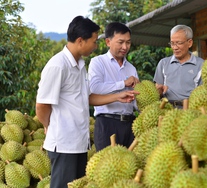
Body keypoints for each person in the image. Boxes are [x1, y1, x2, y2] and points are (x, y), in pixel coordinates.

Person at [35, 16, 139, 188]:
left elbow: (88, 97)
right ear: (80, 41)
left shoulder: (80, 65)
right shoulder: (58, 65)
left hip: (79, 142)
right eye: (94, 41)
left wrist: (117, 96)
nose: (96, 46)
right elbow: (42, 105)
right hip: (63, 144)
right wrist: (49, 126)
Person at [88, 22, 139, 152]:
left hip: (130, 124)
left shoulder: (131, 68)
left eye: (128, 42)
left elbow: (135, 104)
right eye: (120, 42)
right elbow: (94, 89)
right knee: (108, 166)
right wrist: (123, 83)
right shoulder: (98, 62)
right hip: (107, 124)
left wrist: (148, 94)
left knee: (129, 166)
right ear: (108, 42)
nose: (125, 47)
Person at [153, 24, 204, 108]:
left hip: (190, 112)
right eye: (172, 43)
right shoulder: (163, 63)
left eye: (179, 43)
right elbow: (157, 93)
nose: (174, 47)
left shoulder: (201, 65)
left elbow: (203, 94)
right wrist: (159, 91)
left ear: (189, 43)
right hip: (167, 110)